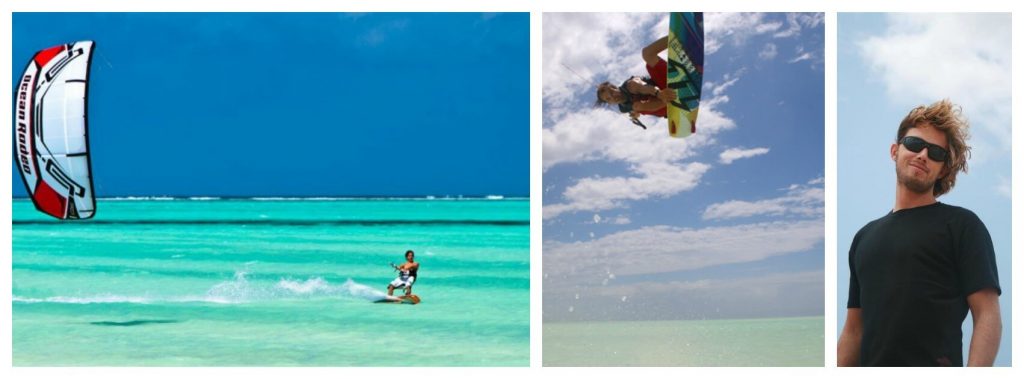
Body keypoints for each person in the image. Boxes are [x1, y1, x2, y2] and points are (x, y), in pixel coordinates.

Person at [837, 100, 1001, 367]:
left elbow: (986, 314)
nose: (923, 155)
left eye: (936, 153)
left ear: (944, 169)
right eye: (914, 144)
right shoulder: (864, 238)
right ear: (895, 150)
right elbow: (854, 330)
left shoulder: (961, 225)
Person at [595, 36, 678, 128]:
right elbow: (637, 109)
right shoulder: (624, 108)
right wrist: (636, 114)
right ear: (610, 103)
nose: (613, 97)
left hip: (666, 84)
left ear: (615, 87)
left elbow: (638, 86)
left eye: (611, 92)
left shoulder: (628, 85)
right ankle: (673, 99)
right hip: (667, 106)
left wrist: (658, 93)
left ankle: (679, 36)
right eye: (608, 99)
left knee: (647, 53)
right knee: (637, 106)